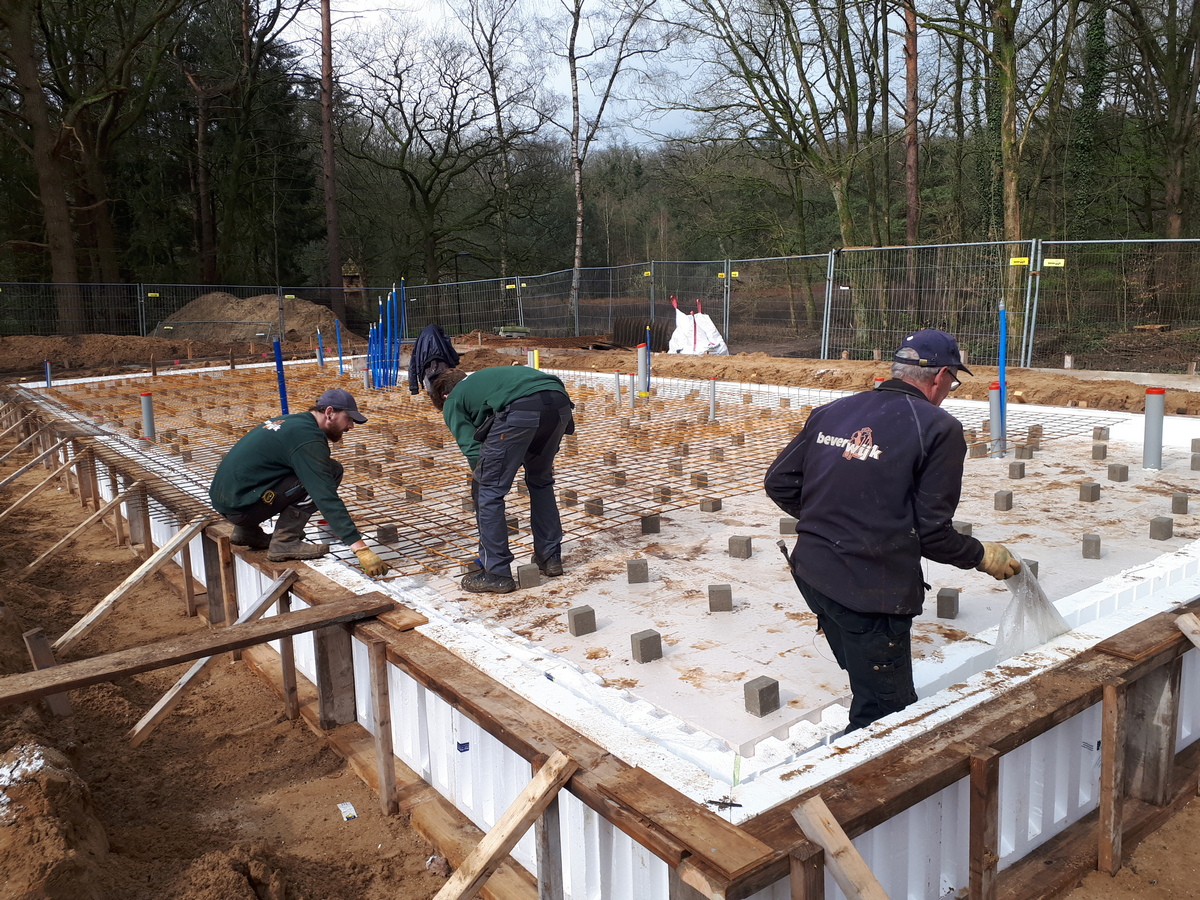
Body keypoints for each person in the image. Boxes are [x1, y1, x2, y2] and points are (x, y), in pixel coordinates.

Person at [764, 329, 1019, 733]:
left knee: (864, 673)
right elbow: (933, 534)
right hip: (868, 594)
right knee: (885, 716)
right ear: (941, 376)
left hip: (812, 574)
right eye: (952, 382)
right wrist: (981, 555)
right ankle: (853, 769)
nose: (948, 391)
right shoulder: (938, 428)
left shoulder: (834, 410)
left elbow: (779, 482)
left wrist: (832, 521)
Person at [209, 387, 389, 577]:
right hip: (242, 509)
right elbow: (324, 495)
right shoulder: (308, 439)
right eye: (349, 419)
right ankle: (285, 542)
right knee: (331, 471)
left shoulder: (293, 421)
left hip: (230, 501)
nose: (351, 426)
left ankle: (247, 532)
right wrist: (360, 547)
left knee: (296, 468)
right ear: (329, 412)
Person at [429, 365, 574, 593]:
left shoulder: (453, 399)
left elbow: (472, 449)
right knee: (541, 481)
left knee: (488, 491)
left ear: (445, 395)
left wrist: (484, 477)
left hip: (521, 409)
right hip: (558, 403)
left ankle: (496, 572)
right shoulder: (485, 382)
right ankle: (550, 557)